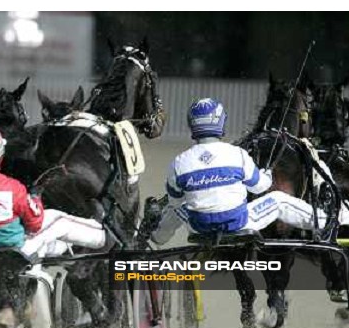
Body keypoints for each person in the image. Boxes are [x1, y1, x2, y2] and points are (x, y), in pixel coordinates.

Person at [0, 125, 109, 328]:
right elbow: (35, 223)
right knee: (55, 220)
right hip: (15, 251)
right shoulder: (11, 187)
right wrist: (35, 195)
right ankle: (101, 234)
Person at [148, 98, 349, 245]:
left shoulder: (178, 162)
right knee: (278, 199)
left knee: (179, 208)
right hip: (238, 223)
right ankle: (330, 219)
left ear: (192, 124)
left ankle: (156, 237)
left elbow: (175, 201)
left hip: (198, 226)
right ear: (220, 123)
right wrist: (267, 173)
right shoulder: (237, 154)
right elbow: (260, 185)